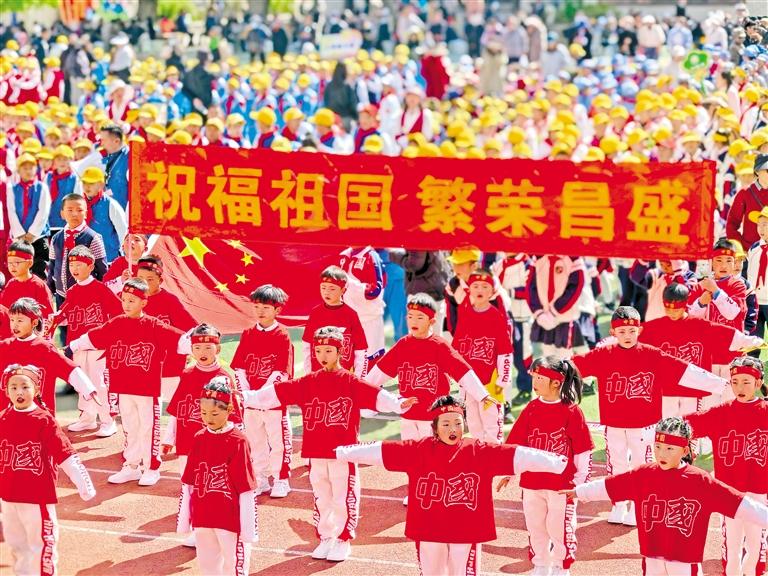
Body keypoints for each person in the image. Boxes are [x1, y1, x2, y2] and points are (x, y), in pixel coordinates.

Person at [336, 395, 568, 576]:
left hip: (465, 529)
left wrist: (554, 462)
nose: (453, 429)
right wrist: (343, 452)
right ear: (435, 427)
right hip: (429, 528)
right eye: (445, 424)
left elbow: (516, 454)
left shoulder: (478, 451)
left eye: (458, 423)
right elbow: (380, 451)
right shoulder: (418, 450)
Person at [240, 326, 418, 563]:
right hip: (315, 452)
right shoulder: (309, 382)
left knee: (343, 496)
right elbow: (277, 392)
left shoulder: (350, 381)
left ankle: (343, 539)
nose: (322, 356)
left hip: (343, 453)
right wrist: (246, 397)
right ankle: (325, 536)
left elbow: (375, 395)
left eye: (328, 351)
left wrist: (397, 403)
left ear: (340, 351)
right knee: (321, 497)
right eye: (318, 351)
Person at [572, 306, 728, 525]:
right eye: (622, 331)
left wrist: (721, 384)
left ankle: (638, 506)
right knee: (616, 463)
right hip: (614, 422)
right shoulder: (604, 355)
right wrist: (547, 370)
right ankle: (619, 504)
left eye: (632, 331)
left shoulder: (652, 355)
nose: (627, 335)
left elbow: (684, 370)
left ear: (639, 330)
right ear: (613, 332)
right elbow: (572, 367)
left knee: (641, 465)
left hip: (644, 424)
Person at [565, 416, 768, 576]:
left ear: (685, 450)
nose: (662, 454)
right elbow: (610, 486)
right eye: (658, 447)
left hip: (684, 563)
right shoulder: (643, 475)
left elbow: (739, 504)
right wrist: (578, 492)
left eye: (670, 448)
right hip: (652, 558)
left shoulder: (700, 481)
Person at [67, 278, 192, 486]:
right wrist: (72, 346)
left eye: (132, 300)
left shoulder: (153, 325)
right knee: (130, 427)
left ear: (144, 302)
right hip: (123, 387)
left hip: (147, 389)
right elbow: (94, 336)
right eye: (124, 299)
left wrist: (203, 341)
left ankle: (151, 468)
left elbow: (180, 341)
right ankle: (132, 466)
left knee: (148, 428)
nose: (126, 304)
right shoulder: (117, 323)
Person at [499, 357, 592, 576]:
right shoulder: (531, 408)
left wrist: (580, 482)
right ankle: (540, 564)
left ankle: (561, 566)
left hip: (561, 486)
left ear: (556, 382)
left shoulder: (571, 411)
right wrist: (508, 472)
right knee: (535, 526)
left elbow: (583, 449)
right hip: (531, 483)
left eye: (540, 378)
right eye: (534, 377)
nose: (535, 382)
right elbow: (516, 444)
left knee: (559, 528)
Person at [0, 364, 96, 576]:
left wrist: (84, 484)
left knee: (42, 544)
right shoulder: (3, 418)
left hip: (36, 496)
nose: (19, 392)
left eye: (25, 386)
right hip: (8, 496)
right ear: (6, 391)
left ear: (36, 389)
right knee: (17, 544)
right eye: (13, 387)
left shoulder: (44, 420)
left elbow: (65, 453)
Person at [684, 356, 768, 576]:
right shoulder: (721, 412)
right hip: (727, 491)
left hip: (759, 490)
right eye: (735, 381)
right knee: (732, 545)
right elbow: (684, 425)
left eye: (746, 382)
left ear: (758, 383)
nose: (740, 387)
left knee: (756, 545)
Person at [639, 283, 763, 417]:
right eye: (668, 307)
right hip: (666, 390)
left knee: (691, 425)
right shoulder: (654, 328)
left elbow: (731, 336)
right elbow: (630, 337)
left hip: (693, 389)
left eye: (677, 308)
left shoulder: (700, 326)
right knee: (665, 425)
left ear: (685, 304)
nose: (672, 312)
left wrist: (759, 342)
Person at [177, 377, 258, 576]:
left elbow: (246, 488)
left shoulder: (238, 441)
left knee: (234, 566)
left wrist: (248, 528)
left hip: (229, 519)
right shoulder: (199, 438)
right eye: (203, 413)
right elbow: (189, 482)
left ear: (229, 410)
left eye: (214, 413)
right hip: (203, 516)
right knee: (207, 565)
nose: (208, 418)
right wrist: (185, 519)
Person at [230, 284, 294, 499]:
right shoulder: (248, 333)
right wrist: (246, 393)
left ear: (277, 309)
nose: (260, 311)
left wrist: (259, 396)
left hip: (273, 401)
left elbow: (281, 372)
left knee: (278, 442)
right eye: (257, 306)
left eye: (266, 307)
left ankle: (281, 480)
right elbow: (239, 368)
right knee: (255, 441)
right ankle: (260, 478)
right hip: (250, 403)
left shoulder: (282, 335)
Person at [55, 245, 122, 436]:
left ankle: (108, 420)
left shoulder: (101, 289)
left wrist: (110, 337)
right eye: (71, 265)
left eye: (79, 264)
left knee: (99, 383)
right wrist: (55, 318)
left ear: (91, 266)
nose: (74, 269)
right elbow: (65, 314)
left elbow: (118, 313)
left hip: (97, 346)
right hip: (77, 344)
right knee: (82, 383)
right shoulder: (73, 291)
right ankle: (88, 418)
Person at [0, 297, 97, 413]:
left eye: (20, 320)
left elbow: (69, 369)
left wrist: (88, 389)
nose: (14, 325)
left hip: (40, 416)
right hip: (8, 416)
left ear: (34, 322)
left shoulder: (45, 348)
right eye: (12, 320)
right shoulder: (4, 347)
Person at [451, 269, 512, 443]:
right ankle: (478, 451)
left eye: (485, 286)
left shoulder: (496, 317)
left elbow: (505, 351)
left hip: (490, 380)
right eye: (475, 286)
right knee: (473, 421)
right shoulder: (465, 313)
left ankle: (494, 451)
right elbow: (456, 347)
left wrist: (503, 380)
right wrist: (453, 372)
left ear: (492, 292)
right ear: (469, 289)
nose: (480, 290)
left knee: (491, 421)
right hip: (469, 379)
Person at [136, 254, 197, 402]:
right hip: (140, 367)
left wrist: (188, 349)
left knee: (170, 407)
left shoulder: (169, 300)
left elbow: (191, 328)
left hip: (169, 368)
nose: (144, 283)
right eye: (140, 278)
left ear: (160, 280)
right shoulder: (130, 300)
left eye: (150, 279)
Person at [301, 266, 368, 377]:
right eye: (323, 288)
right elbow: (306, 345)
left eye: (332, 289)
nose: (326, 292)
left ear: (343, 290)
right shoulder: (315, 313)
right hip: (318, 375)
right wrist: (308, 373)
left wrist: (359, 378)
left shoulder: (351, 315)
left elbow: (361, 349)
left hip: (343, 376)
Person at [48, 193, 108, 307]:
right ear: (62, 214)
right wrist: (50, 288)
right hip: (61, 295)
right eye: (70, 210)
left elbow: (102, 269)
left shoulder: (93, 237)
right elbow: (52, 265)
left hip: (86, 295)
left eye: (79, 210)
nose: (74, 214)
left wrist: (100, 294)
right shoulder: (56, 238)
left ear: (86, 213)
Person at [493, 253, 534, 406]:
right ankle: (503, 393)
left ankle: (526, 388)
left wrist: (507, 292)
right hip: (503, 317)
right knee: (504, 356)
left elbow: (530, 289)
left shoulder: (527, 263)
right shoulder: (499, 264)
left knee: (523, 355)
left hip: (522, 315)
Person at [527, 255, 587, 358]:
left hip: (564, 317)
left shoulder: (573, 258)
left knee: (564, 355)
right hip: (544, 316)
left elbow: (576, 286)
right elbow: (530, 285)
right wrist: (538, 312)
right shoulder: (538, 257)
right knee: (547, 353)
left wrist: (554, 311)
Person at [338, 246, 386, 370]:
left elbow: (375, 290)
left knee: (369, 360)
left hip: (368, 319)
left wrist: (350, 283)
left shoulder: (371, 256)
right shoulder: (343, 255)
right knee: (347, 358)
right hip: (347, 318)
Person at [6, 153, 50, 279]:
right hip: (19, 237)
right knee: (20, 267)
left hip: (38, 236)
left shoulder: (42, 187)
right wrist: (20, 234)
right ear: (18, 170)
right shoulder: (12, 188)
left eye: (31, 168)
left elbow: (43, 211)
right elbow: (11, 211)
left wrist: (32, 234)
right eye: (25, 168)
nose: (28, 171)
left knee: (40, 268)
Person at [79, 166, 127, 263]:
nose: (87, 186)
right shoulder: (79, 204)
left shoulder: (110, 204)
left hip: (108, 258)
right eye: (84, 183)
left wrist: (125, 255)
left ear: (101, 185)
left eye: (91, 183)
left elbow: (123, 230)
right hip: (85, 259)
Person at [1, 240, 54, 318]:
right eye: (9, 263)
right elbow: (4, 310)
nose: (12, 266)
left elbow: (48, 316)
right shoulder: (10, 284)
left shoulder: (39, 286)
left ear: (30, 263)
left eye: (17, 263)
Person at [727, 153, 768, 251]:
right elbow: (732, 224)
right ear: (757, 171)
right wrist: (742, 248)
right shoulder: (745, 193)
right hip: (751, 251)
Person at [99, 124, 129, 209]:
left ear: (116, 141)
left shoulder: (131, 157)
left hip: (125, 210)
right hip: (108, 207)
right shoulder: (104, 156)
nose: (101, 144)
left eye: (104, 140)